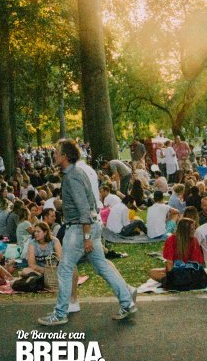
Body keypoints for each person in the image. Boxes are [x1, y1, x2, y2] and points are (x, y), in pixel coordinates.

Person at [38, 139, 138, 326]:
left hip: (79, 228)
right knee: (102, 266)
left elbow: (83, 208)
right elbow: (90, 201)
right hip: (90, 225)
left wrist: (86, 237)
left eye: (57, 152)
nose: (54, 155)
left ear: (65, 156)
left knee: (64, 269)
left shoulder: (72, 177)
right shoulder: (78, 172)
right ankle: (127, 302)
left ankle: (60, 314)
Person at [147, 218, 206, 287]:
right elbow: (170, 263)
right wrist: (173, 275)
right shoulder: (171, 240)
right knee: (152, 272)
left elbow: (196, 262)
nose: (194, 231)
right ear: (185, 230)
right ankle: (177, 281)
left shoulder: (194, 240)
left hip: (188, 270)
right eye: (192, 229)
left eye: (194, 228)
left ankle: (172, 282)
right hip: (176, 271)